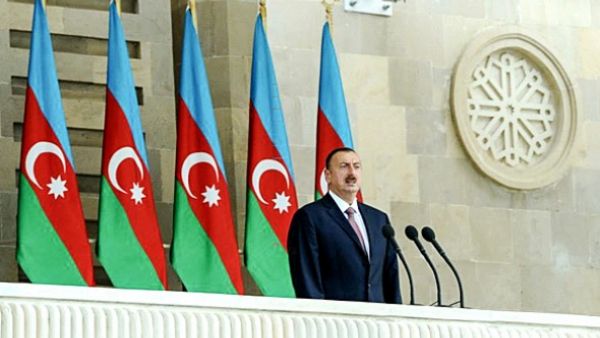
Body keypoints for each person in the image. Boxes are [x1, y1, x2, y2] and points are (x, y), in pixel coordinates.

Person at [287, 147, 401, 303]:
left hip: (377, 321)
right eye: (344, 166)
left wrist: (395, 318)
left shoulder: (379, 220)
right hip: (335, 322)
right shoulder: (310, 217)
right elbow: (307, 279)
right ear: (328, 175)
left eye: (356, 166)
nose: (351, 173)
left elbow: (390, 276)